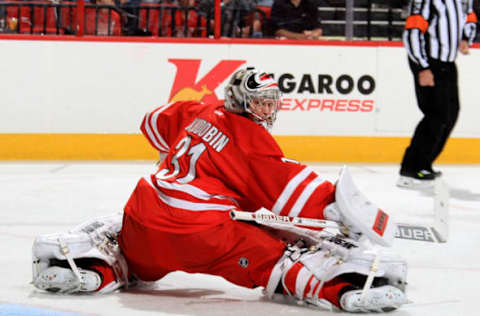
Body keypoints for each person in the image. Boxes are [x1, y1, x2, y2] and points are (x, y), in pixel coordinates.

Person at [31, 67, 408, 313]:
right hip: (205, 235)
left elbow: (151, 123)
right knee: (278, 258)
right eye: (260, 102)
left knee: (131, 255)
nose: (266, 110)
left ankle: (95, 269)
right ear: (242, 101)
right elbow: (288, 188)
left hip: (145, 215)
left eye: (270, 103)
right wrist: (339, 211)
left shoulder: (198, 111)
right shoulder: (252, 139)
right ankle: (343, 287)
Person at [398, 0, 477, 188]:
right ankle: (411, 169)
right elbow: (412, 33)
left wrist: (466, 37)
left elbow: (470, 17)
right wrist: (422, 67)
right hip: (430, 63)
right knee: (436, 114)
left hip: (448, 63)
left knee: (450, 115)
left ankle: (424, 164)